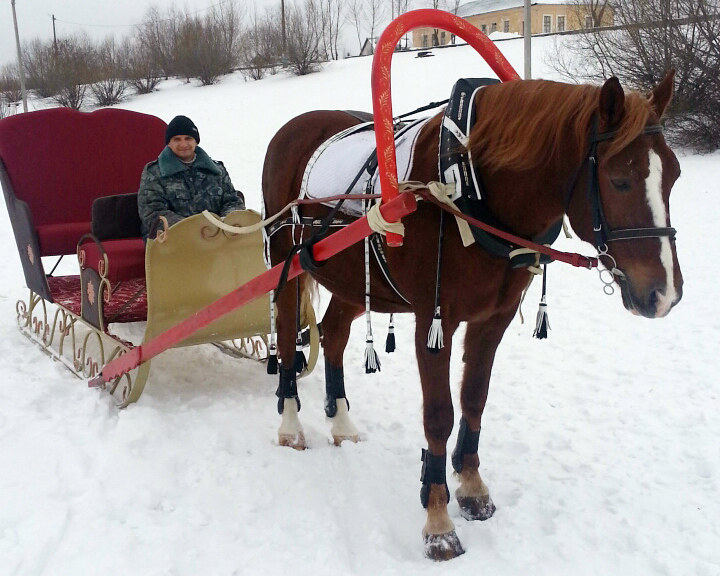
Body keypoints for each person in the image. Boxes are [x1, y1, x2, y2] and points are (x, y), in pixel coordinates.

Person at [138, 115, 245, 240]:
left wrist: (225, 223)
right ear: (169, 143)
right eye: (177, 139)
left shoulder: (217, 170)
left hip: (217, 238)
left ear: (196, 141)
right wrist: (194, 229)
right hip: (172, 240)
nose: (183, 144)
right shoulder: (154, 173)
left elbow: (232, 201)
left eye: (188, 138)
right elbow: (152, 213)